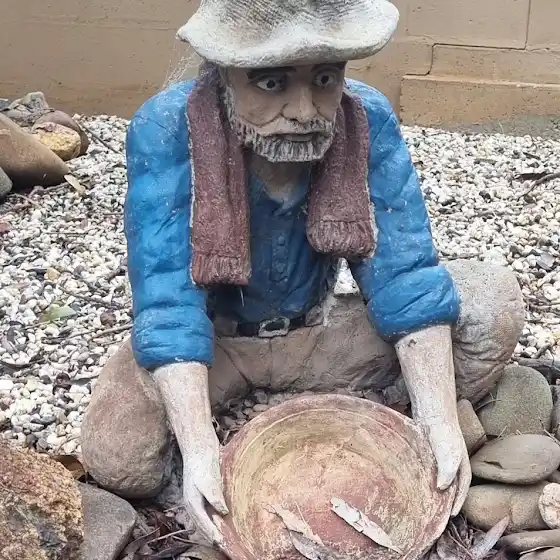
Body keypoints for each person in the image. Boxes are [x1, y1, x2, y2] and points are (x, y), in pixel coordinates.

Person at [81, 0, 525, 548]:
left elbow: (405, 272)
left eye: (324, 79)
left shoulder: (364, 118)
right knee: (118, 453)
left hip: (315, 334)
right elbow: (168, 295)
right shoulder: (169, 127)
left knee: (491, 301)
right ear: (225, 72)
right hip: (219, 347)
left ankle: (369, 422)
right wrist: (198, 450)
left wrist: (438, 422)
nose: (304, 110)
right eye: (271, 83)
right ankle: (253, 435)